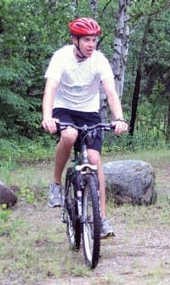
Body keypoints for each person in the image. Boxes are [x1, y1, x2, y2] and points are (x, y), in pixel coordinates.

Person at [41, 17, 128, 238]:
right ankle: (55, 185)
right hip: (64, 109)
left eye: (94, 40)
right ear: (75, 40)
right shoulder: (61, 57)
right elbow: (50, 90)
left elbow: (110, 92)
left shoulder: (99, 60)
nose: (92, 44)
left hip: (89, 112)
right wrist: (47, 117)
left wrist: (119, 118)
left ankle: (102, 219)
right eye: (87, 40)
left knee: (95, 159)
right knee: (69, 136)